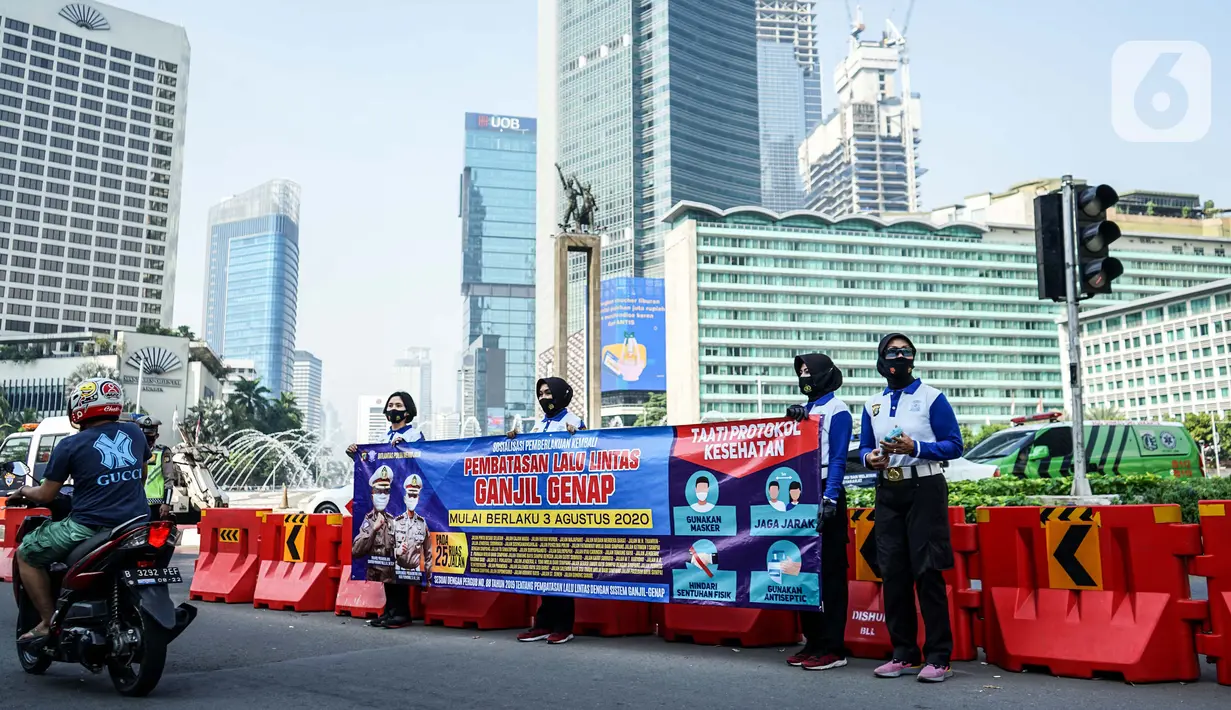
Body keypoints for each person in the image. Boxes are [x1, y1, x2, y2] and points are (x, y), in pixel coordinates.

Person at [858, 334, 963, 683]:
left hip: (925, 487)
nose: (900, 356)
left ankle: (938, 657)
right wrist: (870, 457)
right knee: (893, 574)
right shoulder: (872, 403)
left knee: (927, 571)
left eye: (907, 351)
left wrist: (914, 445)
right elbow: (864, 448)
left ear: (914, 359)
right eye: (892, 351)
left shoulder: (932, 397)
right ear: (881, 358)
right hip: (888, 489)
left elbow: (954, 445)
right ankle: (903, 653)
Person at [13, 378, 150, 642]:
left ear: (79, 406)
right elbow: (141, 475)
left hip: (88, 527)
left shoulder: (70, 445)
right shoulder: (134, 433)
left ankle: (46, 622)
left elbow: (46, 494)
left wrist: (22, 491)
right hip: (137, 523)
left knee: (27, 553)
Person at [784, 353, 852, 672]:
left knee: (832, 573)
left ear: (826, 374)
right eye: (801, 372)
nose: (804, 376)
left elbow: (838, 458)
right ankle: (812, 641)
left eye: (810, 371)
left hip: (826, 487)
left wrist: (831, 497)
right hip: (802, 489)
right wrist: (791, 421)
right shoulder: (805, 412)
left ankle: (833, 646)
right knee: (802, 570)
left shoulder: (838, 411)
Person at [510, 377, 585, 645]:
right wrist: (515, 442)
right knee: (543, 564)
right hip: (538, 504)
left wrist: (578, 438)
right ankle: (542, 623)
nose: (544, 397)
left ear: (561, 394)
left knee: (561, 565)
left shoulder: (575, 422)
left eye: (548, 392)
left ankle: (564, 625)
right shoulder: (538, 424)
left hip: (563, 504)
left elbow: (586, 459)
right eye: (540, 393)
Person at [347, 392, 425, 629]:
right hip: (385, 506)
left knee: (399, 559)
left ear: (408, 411)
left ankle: (402, 612)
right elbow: (372, 465)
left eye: (398, 405)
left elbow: (420, 462)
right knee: (384, 559)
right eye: (390, 405)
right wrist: (356, 455)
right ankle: (390, 610)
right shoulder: (382, 437)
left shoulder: (414, 434)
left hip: (401, 504)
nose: (394, 409)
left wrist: (406, 448)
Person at [393, 473, 432, 583]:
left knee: (414, 600)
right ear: (405, 498)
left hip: (415, 573)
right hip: (398, 572)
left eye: (414, 496)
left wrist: (429, 578)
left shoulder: (422, 523)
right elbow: (385, 550)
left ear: (418, 498)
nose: (412, 498)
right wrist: (397, 551)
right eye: (410, 495)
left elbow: (428, 552)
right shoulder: (396, 522)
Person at [136, 415, 175, 521]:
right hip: (136, 504)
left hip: (156, 506)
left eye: (150, 435)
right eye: (144, 435)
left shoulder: (163, 452)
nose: (147, 439)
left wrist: (166, 503)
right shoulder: (133, 451)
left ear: (156, 435)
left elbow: (169, 479)